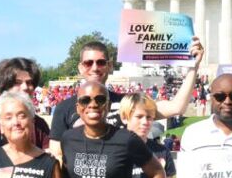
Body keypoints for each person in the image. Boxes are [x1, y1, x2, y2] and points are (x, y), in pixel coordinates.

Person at [49, 38, 203, 161]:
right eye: (88, 63)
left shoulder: (127, 101)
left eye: (101, 62)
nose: (95, 68)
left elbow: (176, 107)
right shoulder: (64, 108)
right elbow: (57, 156)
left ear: (109, 66)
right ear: (80, 67)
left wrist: (193, 68)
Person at [0, 57, 52, 147]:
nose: (25, 87)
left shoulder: (40, 124)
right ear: (5, 87)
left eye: (29, 82)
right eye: (18, 82)